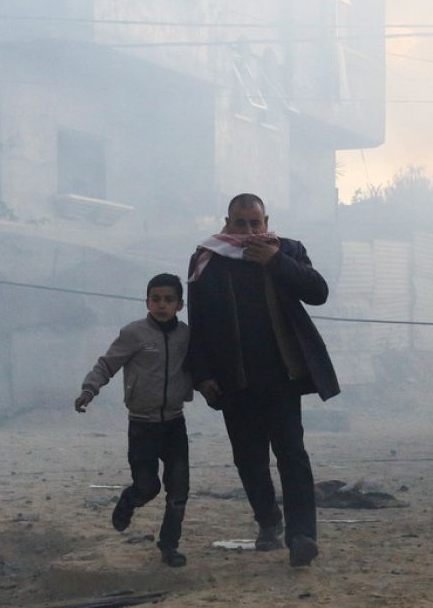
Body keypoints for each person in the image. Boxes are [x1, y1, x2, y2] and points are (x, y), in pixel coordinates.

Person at [186, 193, 338, 568]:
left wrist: (276, 261)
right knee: (249, 459)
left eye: (256, 223)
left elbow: (317, 292)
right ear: (227, 222)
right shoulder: (209, 258)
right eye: (241, 223)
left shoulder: (287, 250)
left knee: (292, 454)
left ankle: (302, 536)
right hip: (233, 378)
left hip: (282, 376)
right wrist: (202, 375)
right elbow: (198, 320)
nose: (250, 231)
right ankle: (269, 520)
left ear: (266, 221)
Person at [74, 273, 194, 568]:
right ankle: (130, 500)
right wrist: (89, 390)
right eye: (156, 299)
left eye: (168, 300)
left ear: (180, 304)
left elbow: (200, 367)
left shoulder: (186, 335)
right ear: (147, 301)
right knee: (148, 486)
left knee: (178, 489)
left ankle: (169, 546)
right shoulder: (135, 334)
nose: (162, 305)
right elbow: (107, 364)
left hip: (175, 423)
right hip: (142, 425)